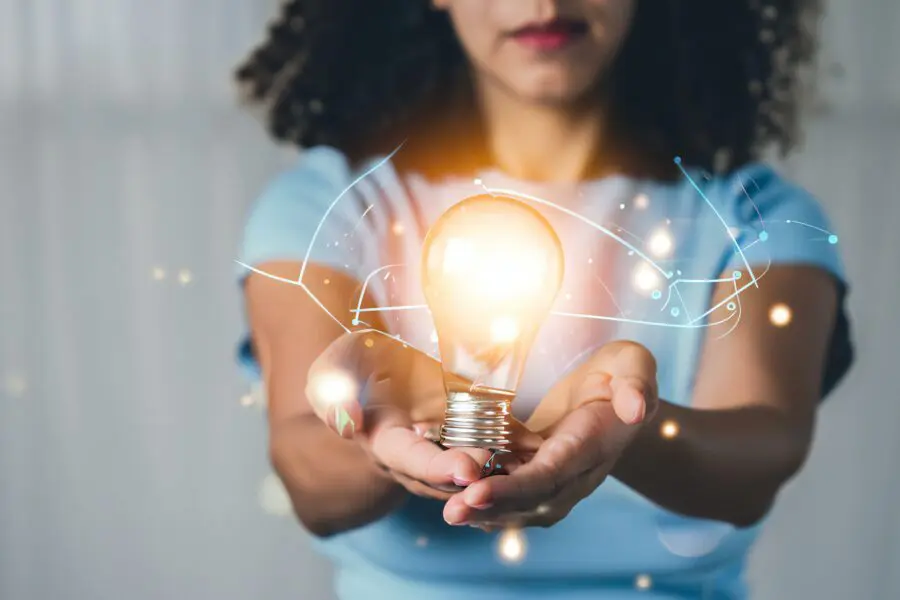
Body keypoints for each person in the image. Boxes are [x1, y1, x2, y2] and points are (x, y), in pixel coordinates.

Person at [234, 1, 853, 598]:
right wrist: (382, 434)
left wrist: (630, 428)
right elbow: (307, 471)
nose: (545, 1)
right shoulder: (330, 208)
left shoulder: (755, 221)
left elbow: (759, 459)